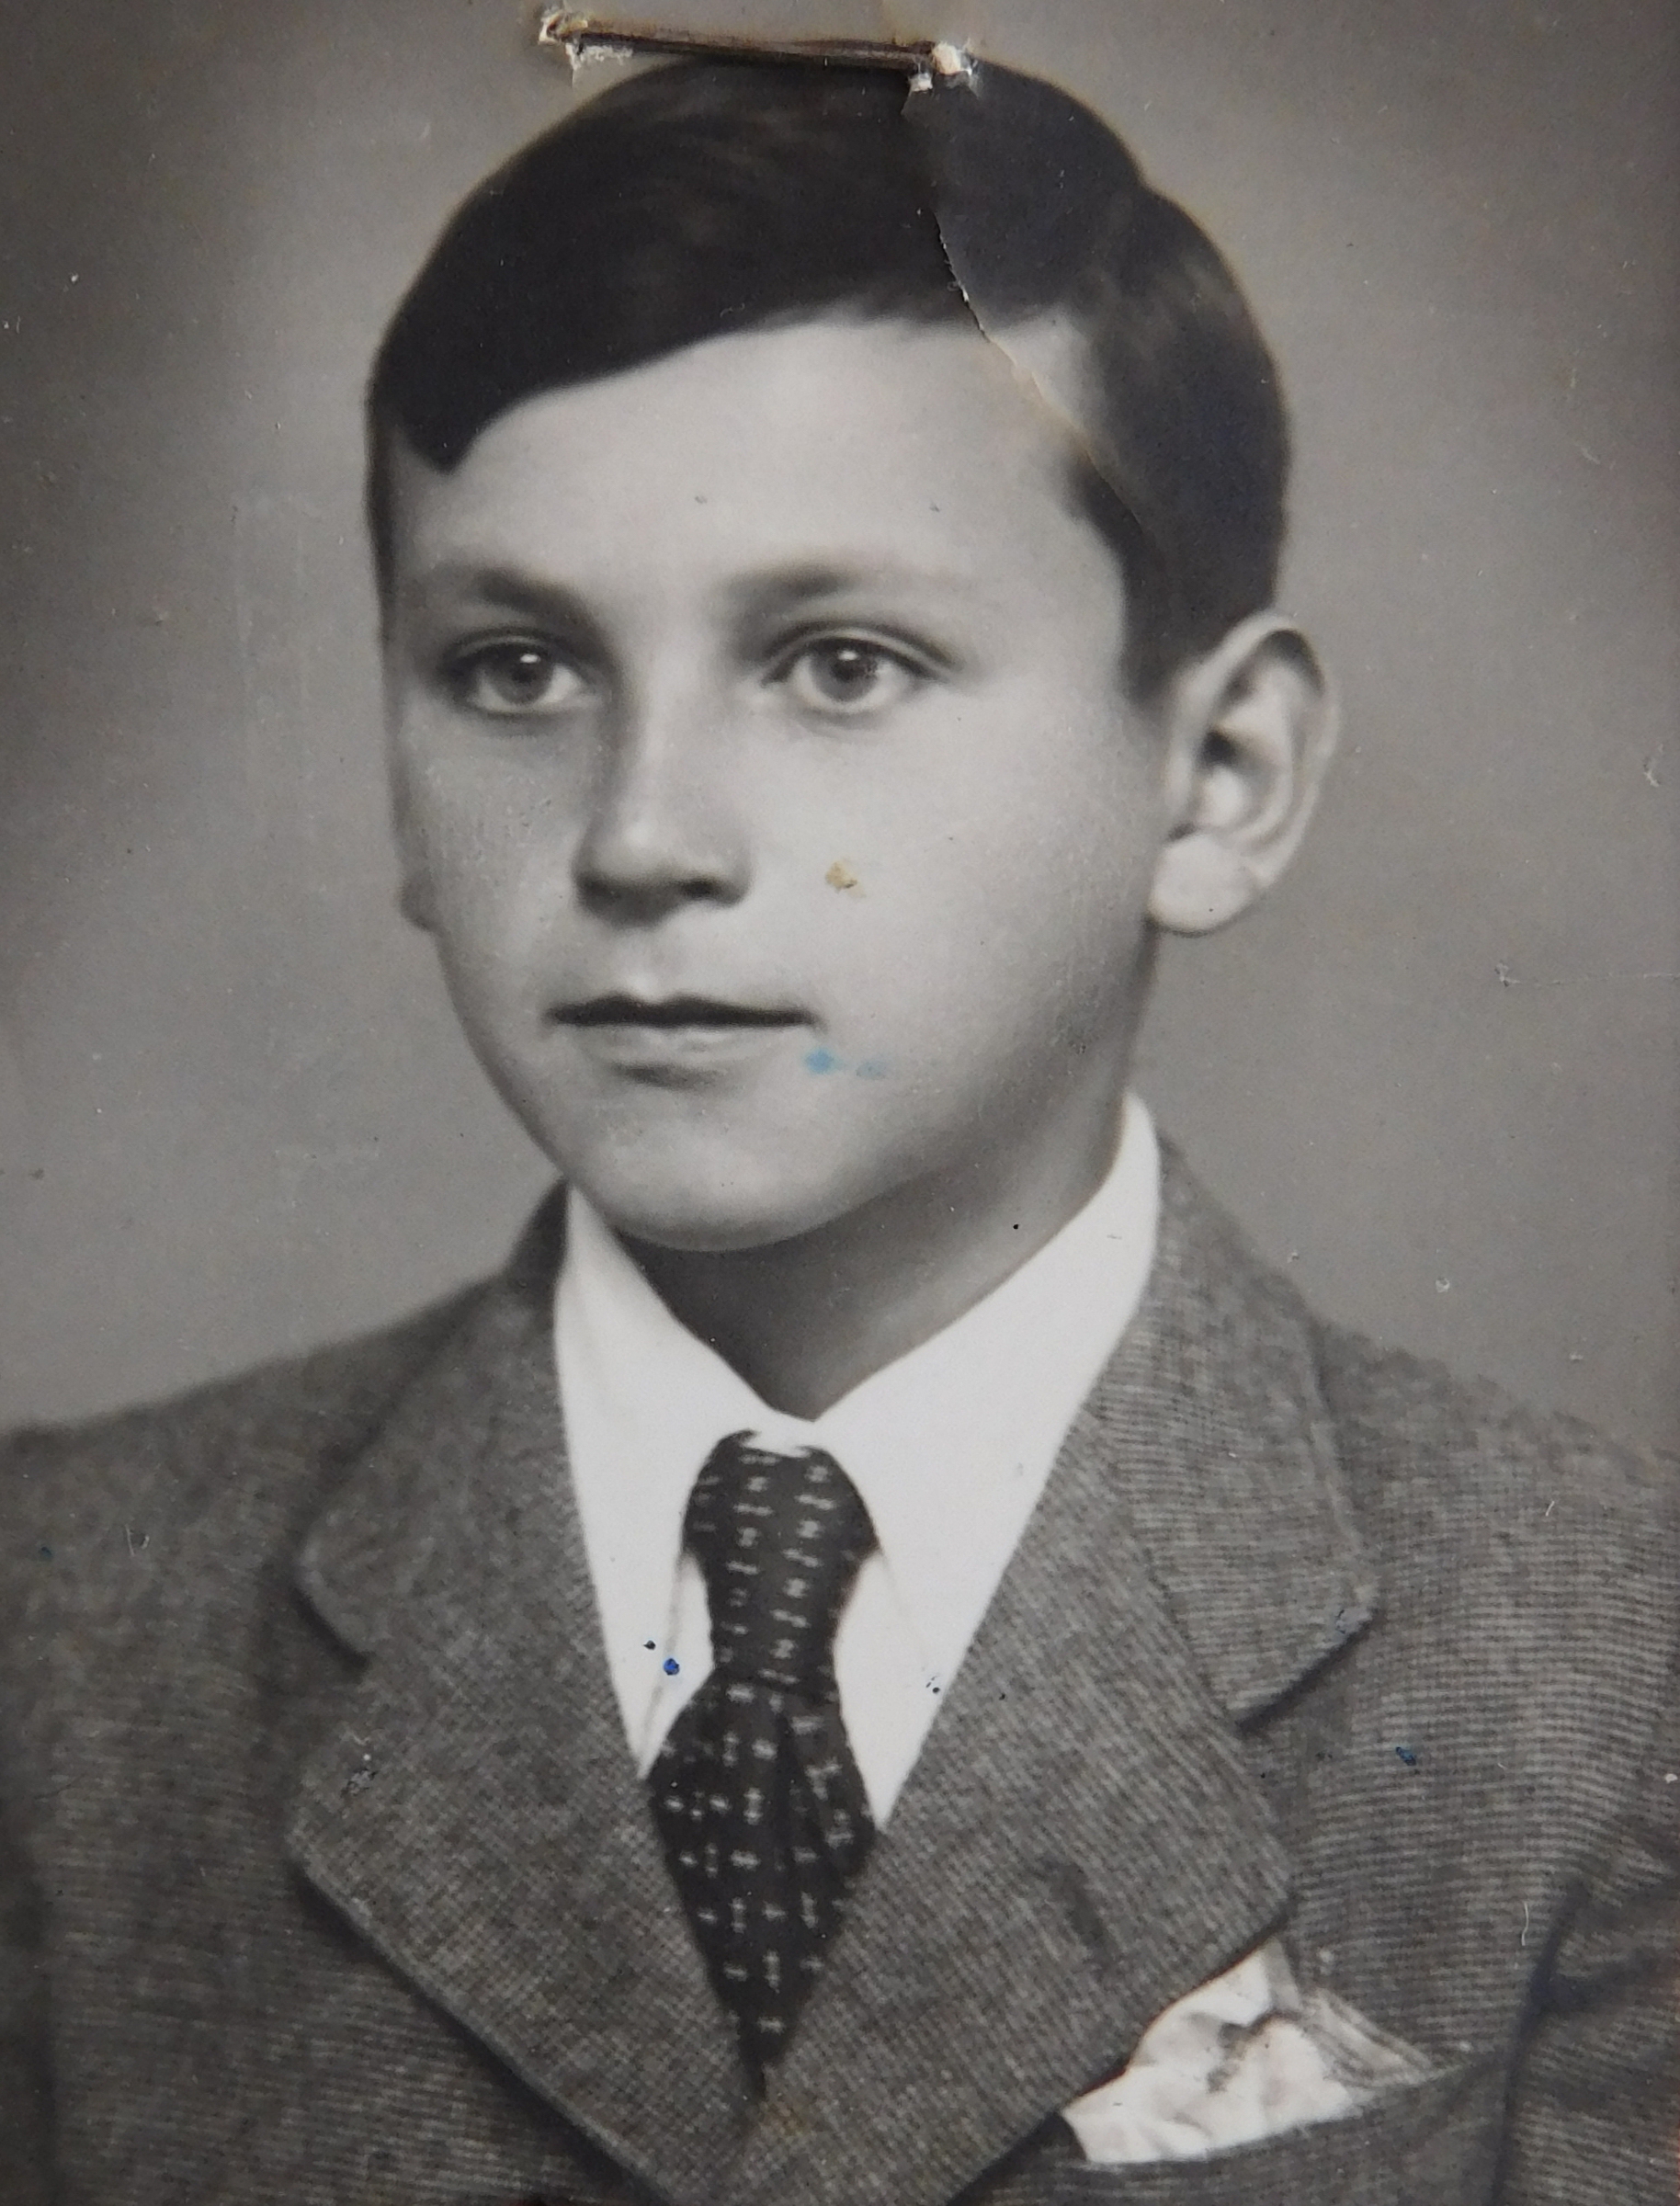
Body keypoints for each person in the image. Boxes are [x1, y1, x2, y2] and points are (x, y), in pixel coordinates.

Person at [1, 50, 1674, 2206]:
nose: (640, 834)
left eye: (840, 662)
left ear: (1217, 777)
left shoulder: (1604, 1664)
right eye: (514, 668)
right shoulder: (64, 1637)